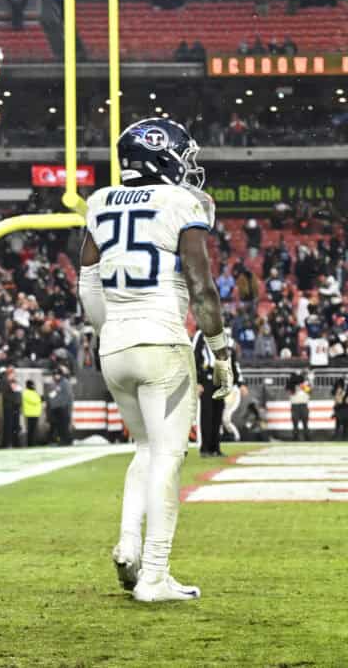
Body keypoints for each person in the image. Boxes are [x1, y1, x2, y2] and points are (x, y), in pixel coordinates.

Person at [79, 117, 233, 603]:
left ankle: (129, 547)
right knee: (167, 456)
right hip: (162, 343)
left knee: (144, 450)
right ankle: (155, 575)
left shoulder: (100, 201)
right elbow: (203, 286)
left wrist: (111, 332)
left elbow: (87, 283)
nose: (188, 169)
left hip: (116, 345)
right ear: (163, 157)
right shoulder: (181, 203)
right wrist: (221, 351)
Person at [193, 328, 227, 457]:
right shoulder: (201, 334)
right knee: (207, 414)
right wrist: (197, 381)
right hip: (206, 376)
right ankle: (205, 448)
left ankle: (215, 447)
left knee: (218, 413)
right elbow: (194, 356)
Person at [46, 368, 73, 446]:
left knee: (64, 425)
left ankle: (67, 441)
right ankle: (61, 440)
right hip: (55, 408)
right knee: (58, 426)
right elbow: (50, 395)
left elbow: (69, 396)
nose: (56, 376)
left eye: (57, 374)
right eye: (55, 374)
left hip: (63, 408)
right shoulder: (54, 384)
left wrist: (68, 407)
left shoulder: (65, 383)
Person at [287, 369, 311, 441]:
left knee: (305, 423)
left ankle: (307, 437)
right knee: (295, 423)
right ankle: (295, 437)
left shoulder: (305, 385)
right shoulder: (291, 386)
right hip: (295, 405)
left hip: (303, 404)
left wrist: (301, 385)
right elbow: (290, 393)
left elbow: (309, 391)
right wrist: (294, 385)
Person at [21, 380, 42, 446]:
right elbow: (35, 400)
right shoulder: (26, 392)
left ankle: (33, 442)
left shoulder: (33, 392)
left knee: (34, 430)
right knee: (30, 430)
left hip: (35, 413)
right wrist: (40, 398)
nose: (33, 386)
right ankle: (30, 443)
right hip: (29, 414)